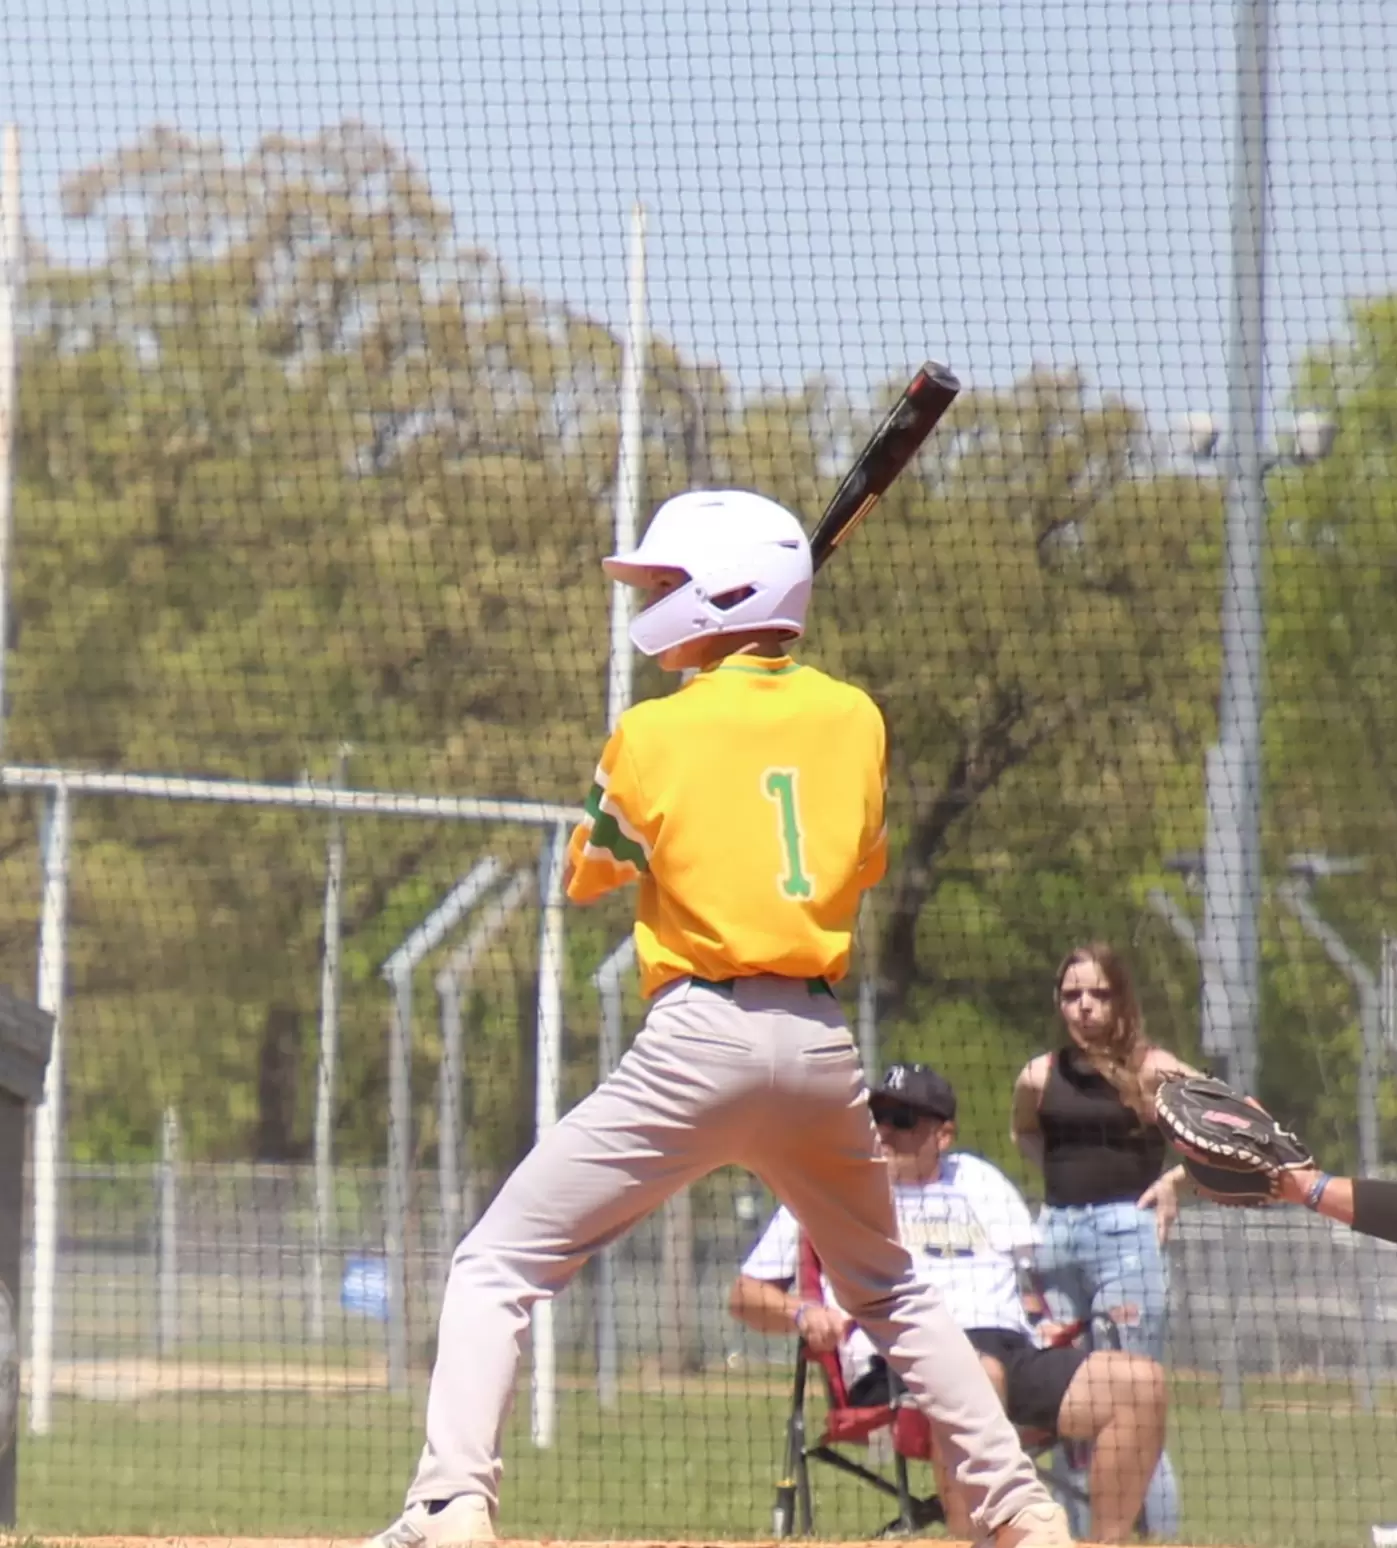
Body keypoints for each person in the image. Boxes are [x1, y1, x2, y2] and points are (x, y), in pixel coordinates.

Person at [367, 490, 1070, 1548]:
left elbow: (589, 871)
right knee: (890, 1287)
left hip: (699, 1038)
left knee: (497, 1264)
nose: (649, 598)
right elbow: (857, 863)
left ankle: (451, 1503)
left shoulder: (653, 730)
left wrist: (678, 771)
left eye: (664, 582)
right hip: (819, 1046)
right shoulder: (855, 717)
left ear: (720, 594)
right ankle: (1019, 1509)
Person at [730, 1062, 1167, 1544]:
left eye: (902, 1120)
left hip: (1009, 1351)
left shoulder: (979, 1180)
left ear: (943, 1135)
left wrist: (1040, 1320)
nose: (884, 1131)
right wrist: (801, 1312)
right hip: (899, 1359)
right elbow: (745, 1294)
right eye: (876, 1116)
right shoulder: (832, 1188)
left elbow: (1026, 1278)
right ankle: (972, 1541)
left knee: (1139, 1383)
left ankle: (1106, 1545)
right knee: (975, 1374)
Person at [1010, 942, 1202, 1537]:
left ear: (1121, 999)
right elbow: (1025, 1134)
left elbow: (1238, 1129)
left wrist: (1176, 1182)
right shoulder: (1039, 1075)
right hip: (1056, 1239)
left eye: (1099, 993)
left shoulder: (1154, 1069)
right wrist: (1064, 1192)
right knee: (1071, 1413)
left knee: (1136, 1405)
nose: (1085, 1006)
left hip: (1126, 1239)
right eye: (1072, 995)